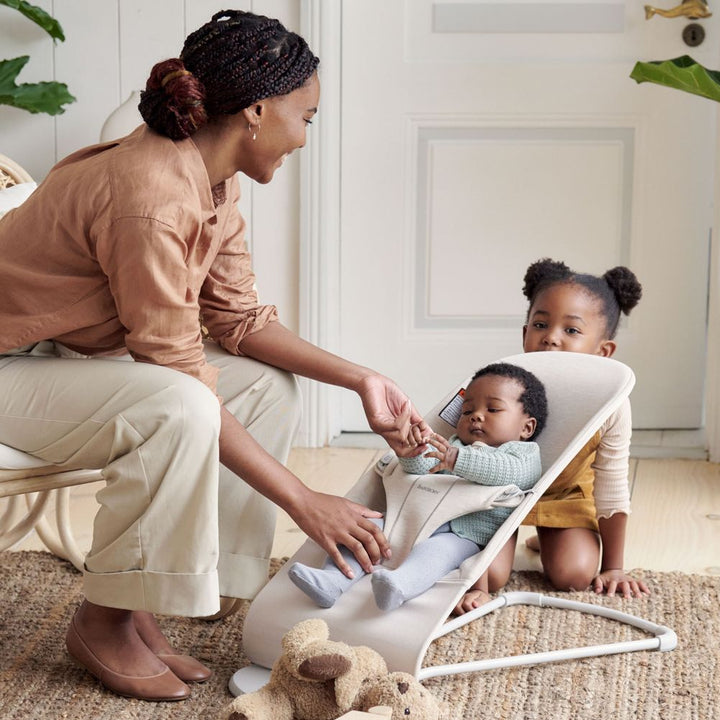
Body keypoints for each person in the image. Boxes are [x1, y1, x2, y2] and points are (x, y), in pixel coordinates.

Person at [0, 11, 428, 702]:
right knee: (179, 403)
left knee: (266, 387)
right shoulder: (152, 200)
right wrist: (303, 501)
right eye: (307, 117)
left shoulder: (211, 181)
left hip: (65, 356)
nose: (307, 136)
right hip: (9, 363)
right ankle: (103, 620)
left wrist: (362, 379)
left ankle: (170, 593)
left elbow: (237, 319)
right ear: (257, 111)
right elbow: (174, 372)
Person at [455, 258, 651, 615]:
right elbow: (455, 426)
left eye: (571, 331)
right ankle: (522, 535)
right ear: (524, 333)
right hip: (499, 494)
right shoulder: (500, 382)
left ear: (603, 352)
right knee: (492, 576)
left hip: (566, 496)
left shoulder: (612, 404)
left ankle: (551, 534)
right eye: (541, 324)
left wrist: (615, 566)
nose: (552, 337)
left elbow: (612, 485)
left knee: (574, 575)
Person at [288, 362, 547, 611]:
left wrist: (458, 459)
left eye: (493, 410)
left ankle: (399, 586)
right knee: (364, 532)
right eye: (467, 411)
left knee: (435, 556)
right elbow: (420, 471)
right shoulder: (452, 443)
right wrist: (411, 454)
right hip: (409, 516)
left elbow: (512, 473)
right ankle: (332, 580)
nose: (476, 416)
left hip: (459, 534)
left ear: (527, 427)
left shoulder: (522, 454)